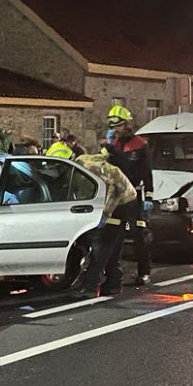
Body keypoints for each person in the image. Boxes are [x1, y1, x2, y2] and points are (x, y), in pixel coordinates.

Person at [71, 153, 137, 298]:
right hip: (120, 203)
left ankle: (90, 287)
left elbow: (115, 193)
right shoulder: (84, 167)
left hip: (122, 205)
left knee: (101, 247)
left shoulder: (97, 170)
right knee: (112, 248)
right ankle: (113, 284)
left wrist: (105, 215)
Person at [103, 104, 154, 285]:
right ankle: (112, 275)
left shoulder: (139, 145)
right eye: (112, 126)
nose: (115, 130)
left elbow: (145, 172)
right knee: (112, 236)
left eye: (118, 126)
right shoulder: (112, 145)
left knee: (140, 236)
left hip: (134, 196)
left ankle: (144, 272)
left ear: (126, 125)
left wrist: (148, 197)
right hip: (117, 197)